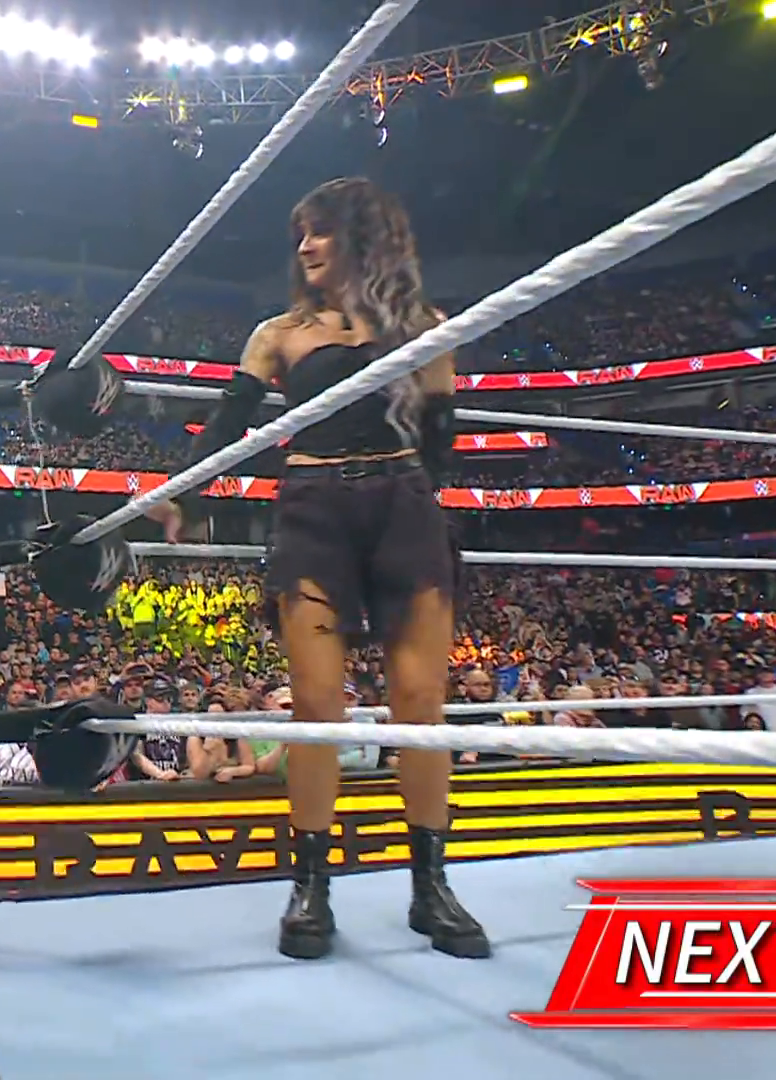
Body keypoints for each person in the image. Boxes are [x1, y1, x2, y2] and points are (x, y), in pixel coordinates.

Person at [149, 177, 488, 961]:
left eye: (322, 231)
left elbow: (439, 442)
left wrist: (414, 506)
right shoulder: (279, 335)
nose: (304, 247)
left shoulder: (424, 327)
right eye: (300, 233)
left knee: (421, 703)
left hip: (403, 506)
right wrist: (179, 493)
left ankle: (431, 887)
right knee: (314, 704)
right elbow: (230, 422)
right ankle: (310, 886)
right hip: (312, 510)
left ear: (362, 238)